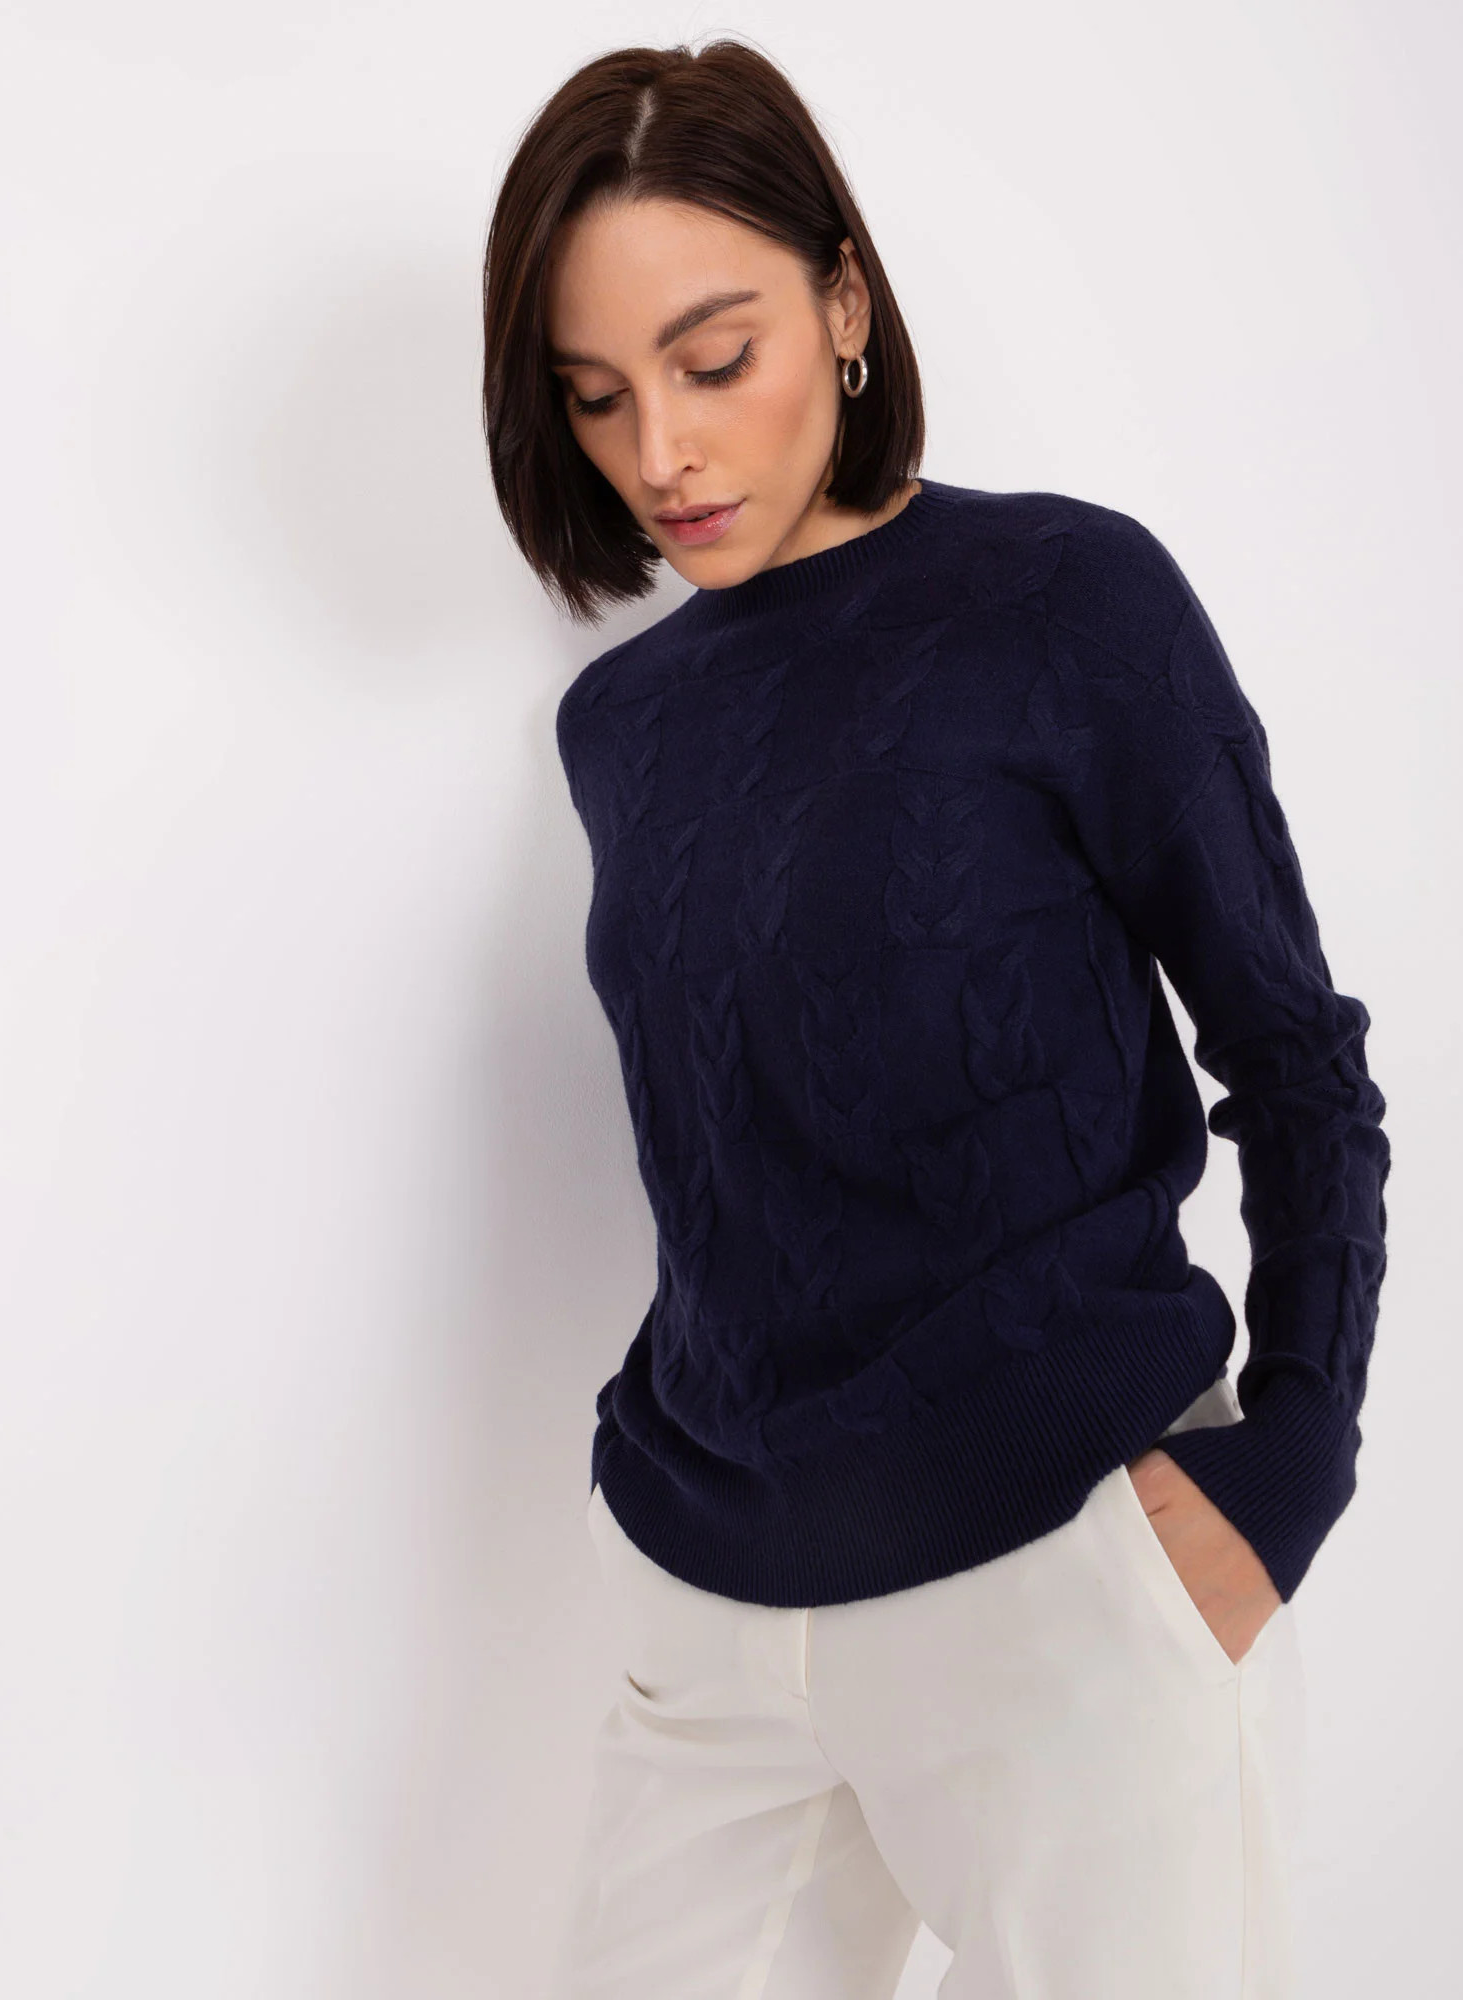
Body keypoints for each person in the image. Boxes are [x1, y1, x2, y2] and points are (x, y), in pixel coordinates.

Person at [482, 37, 1390, 2000]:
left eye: (714, 360)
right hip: (717, 1604)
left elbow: (1296, 1056)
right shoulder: (621, 726)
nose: (661, 453)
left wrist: (1295, 1460)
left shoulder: (1067, 602)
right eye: (598, 395)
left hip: (1069, 1581)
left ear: (843, 302)